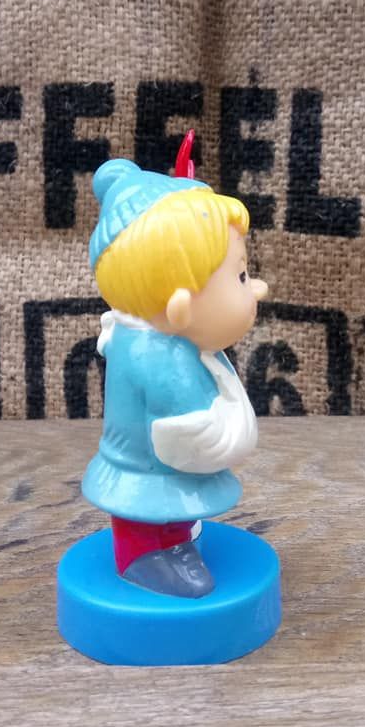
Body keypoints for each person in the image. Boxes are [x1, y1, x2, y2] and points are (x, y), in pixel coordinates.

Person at [83, 151, 268, 598]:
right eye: (241, 277)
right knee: (146, 510)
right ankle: (140, 557)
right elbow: (189, 439)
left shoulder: (171, 339)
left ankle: (175, 539)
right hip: (144, 470)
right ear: (179, 305)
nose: (258, 287)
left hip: (163, 470)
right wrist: (230, 431)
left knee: (173, 508)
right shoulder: (161, 358)